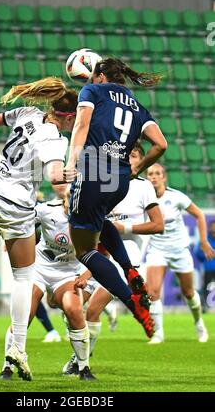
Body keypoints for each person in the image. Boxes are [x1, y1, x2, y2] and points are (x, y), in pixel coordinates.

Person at [0, 78, 78, 381]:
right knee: (24, 278)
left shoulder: (26, 113)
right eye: (74, 118)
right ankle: (18, 349)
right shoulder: (55, 139)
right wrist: (68, 187)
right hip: (14, 204)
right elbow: (55, 177)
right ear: (67, 116)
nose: (74, 124)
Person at [64, 58, 167, 338]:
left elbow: (82, 126)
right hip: (120, 180)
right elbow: (161, 144)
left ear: (98, 75)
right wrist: (137, 168)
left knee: (84, 250)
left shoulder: (93, 92)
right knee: (100, 222)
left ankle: (131, 302)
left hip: (94, 172)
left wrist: (71, 162)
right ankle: (129, 269)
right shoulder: (136, 104)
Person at [63, 141, 164, 373]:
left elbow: (158, 225)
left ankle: (80, 362)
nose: (130, 159)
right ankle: (81, 356)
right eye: (127, 155)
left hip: (128, 255)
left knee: (93, 310)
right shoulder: (110, 183)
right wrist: (88, 271)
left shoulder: (143, 187)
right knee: (72, 307)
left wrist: (125, 228)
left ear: (141, 161)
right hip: (102, 255)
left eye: (135, 156)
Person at [0, 189, 97, 381]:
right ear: (65, 198)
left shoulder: (93, 217)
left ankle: (83, 368)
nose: (73, 202)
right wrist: (11, 239)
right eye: (70, 197)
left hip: (69, 272)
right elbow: (20, 222)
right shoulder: (46, 210)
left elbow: (101, 254)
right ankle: (7, 367)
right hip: (40, 267)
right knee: (25, 311)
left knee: (74, 309)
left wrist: (85, 275)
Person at [145, 163, 215, 344]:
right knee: (152, 292)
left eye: (157, 173)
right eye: (150, 173)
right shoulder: (143, 198)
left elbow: (199, 214)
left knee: (189, 292)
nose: (153, 176)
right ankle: (158, 333)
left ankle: (199, 323)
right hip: (157, 249)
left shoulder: (175, 197)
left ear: (164, 177)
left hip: (179, 250)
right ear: (146, 177)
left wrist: (204, 241)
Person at [194, 220, 215, 311]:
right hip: (208, 268)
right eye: (212, 229)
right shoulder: (205, 240)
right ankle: (204, 306)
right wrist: (206, 255)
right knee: (206, 287)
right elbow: (198, 252)